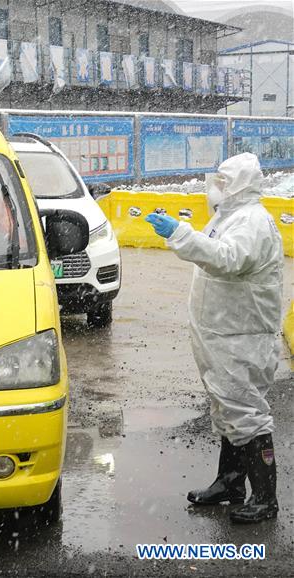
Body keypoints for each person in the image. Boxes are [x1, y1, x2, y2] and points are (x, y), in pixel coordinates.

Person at [145, 152, 284, 524]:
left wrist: (178, 232)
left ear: (240, 184)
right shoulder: (229, 217)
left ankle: (266, 498)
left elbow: (227, 259)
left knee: (246, 413)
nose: (215, 188)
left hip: (243, 335)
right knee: (227, 408)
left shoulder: (252, 222)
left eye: (223, 181)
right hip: (222, 333)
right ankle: (230, 484)